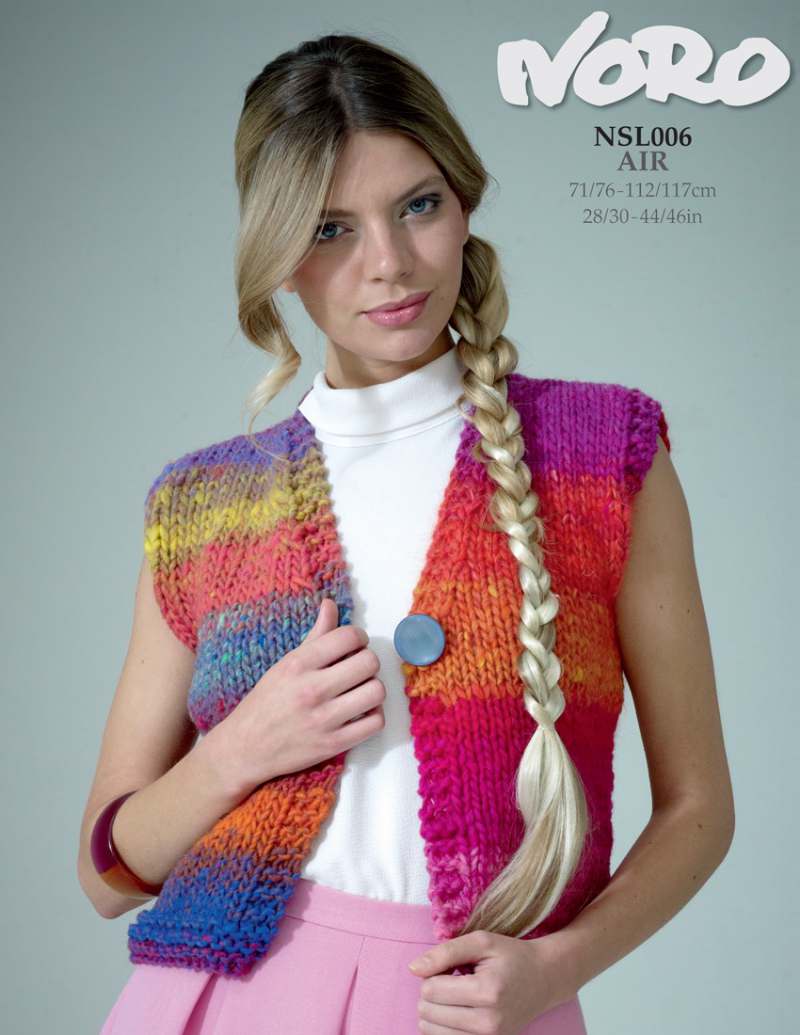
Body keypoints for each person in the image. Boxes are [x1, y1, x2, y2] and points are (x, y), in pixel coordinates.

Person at [78, 33, 735, 1035]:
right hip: (223, 996)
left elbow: (699, 808)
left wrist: (554, 968)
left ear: (463, 203)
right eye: (331, 228)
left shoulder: (603, 455)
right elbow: (106, 872)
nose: (387, 264)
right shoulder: (202, 504)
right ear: (280, 258)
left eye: (417, 206)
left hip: (477, 1006)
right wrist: (238, 750)